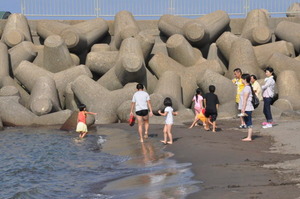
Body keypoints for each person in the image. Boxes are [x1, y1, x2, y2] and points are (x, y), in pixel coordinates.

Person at [238, 74, 254, 141]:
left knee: (249, 122)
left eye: (242, 79)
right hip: (247, 107)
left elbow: (245, 99)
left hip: (247, 107)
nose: (241, 80)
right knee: (248, 122)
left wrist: (243, 109)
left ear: (244, 80)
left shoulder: (247, 88)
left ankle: (249, 137)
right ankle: (249, 136)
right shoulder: (247, 87)